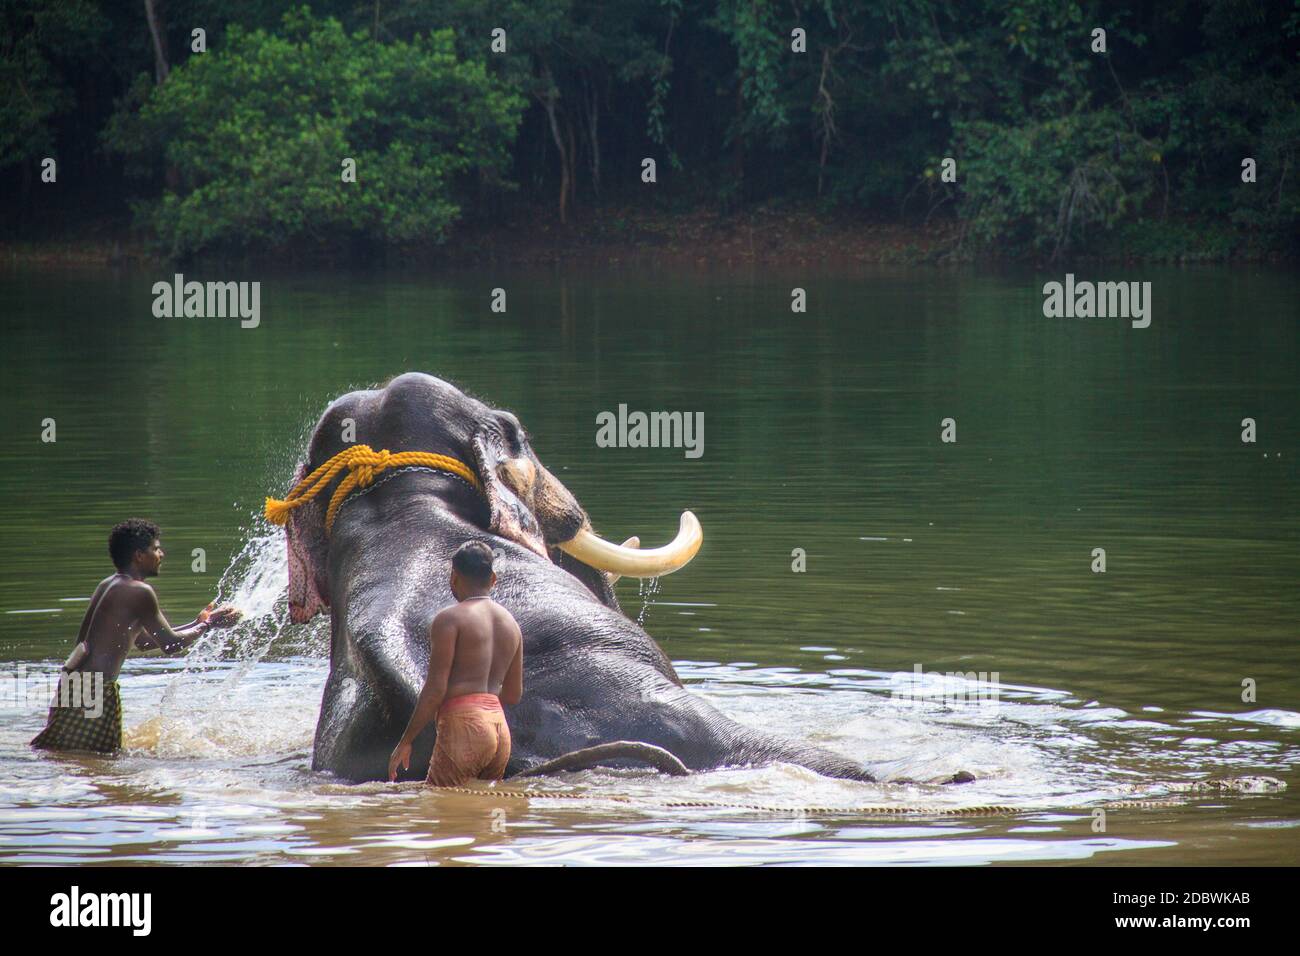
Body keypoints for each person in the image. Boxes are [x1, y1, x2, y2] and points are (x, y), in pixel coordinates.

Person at [30, 518, 241, 754]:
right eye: (156, 548)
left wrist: (197, 622)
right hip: (96, 689)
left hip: (74, 678)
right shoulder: (140, 592)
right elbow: (171, 645)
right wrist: (209, 625)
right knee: (100, 757)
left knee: (64, 753)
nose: (161, 553)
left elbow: (142, 642)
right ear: (139, 556)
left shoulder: (109, 584)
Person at [388, 541, 523, 786]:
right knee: (482, 812)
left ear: (454, 577)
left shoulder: (449, 619)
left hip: (466, 727)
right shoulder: (511, 624)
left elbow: (435, 689)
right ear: (493, 578)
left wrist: (406, 741)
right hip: (500, 731)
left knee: (440, 809)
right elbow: (513, 694)